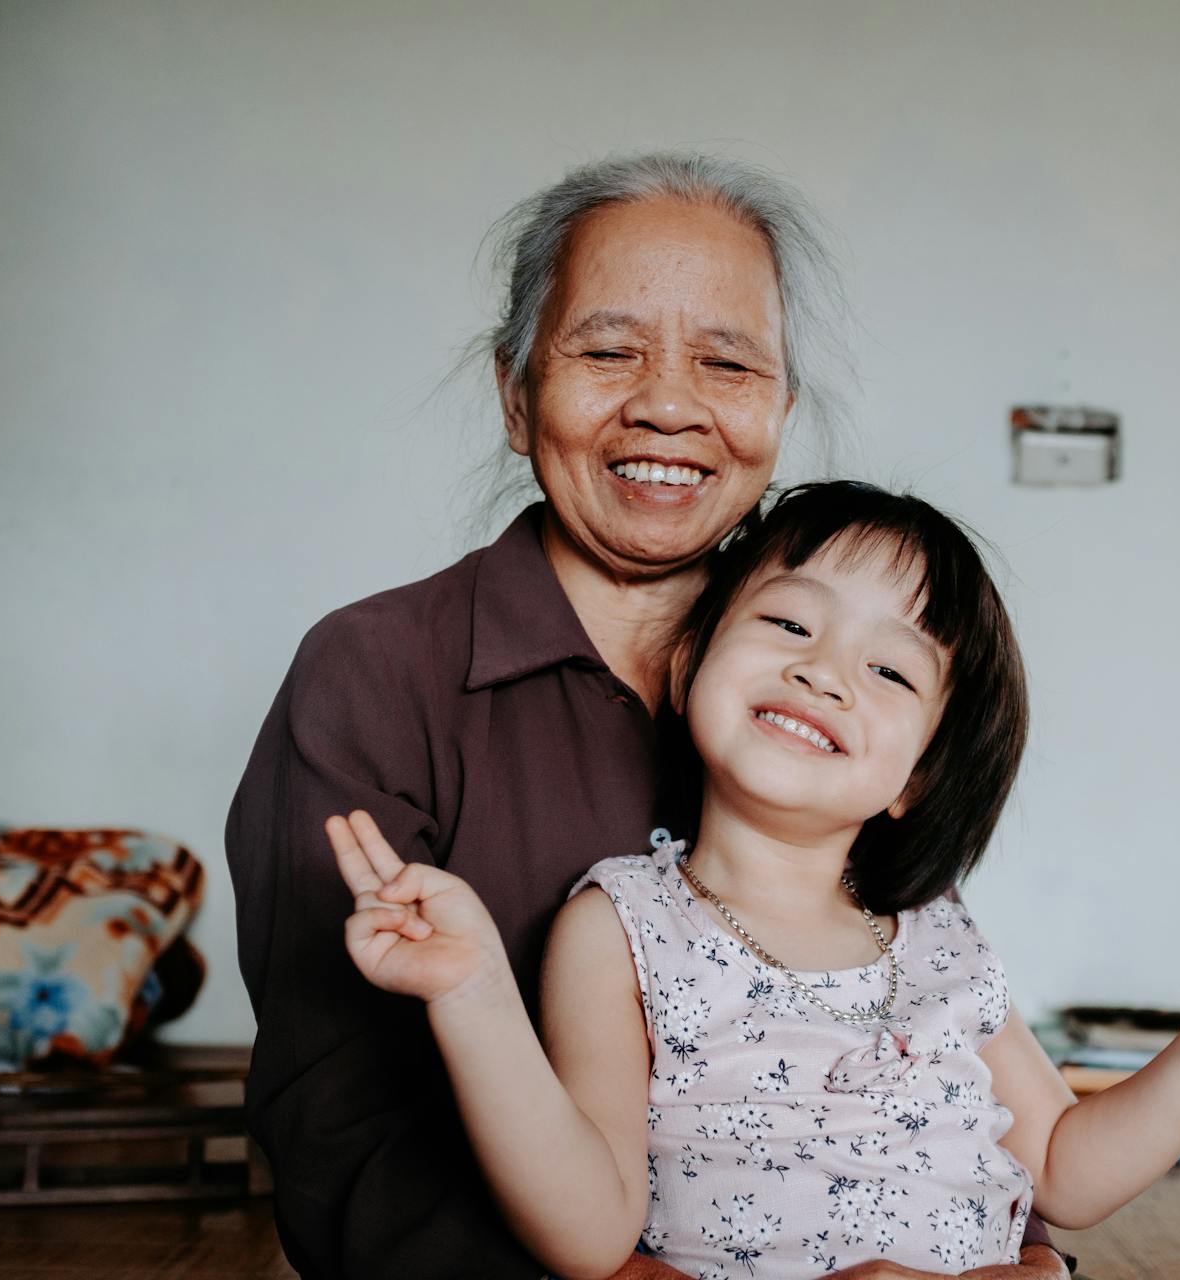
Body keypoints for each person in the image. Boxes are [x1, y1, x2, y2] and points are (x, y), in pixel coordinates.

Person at [227, 154, 1073, 1278]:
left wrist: (1026, 1263)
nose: (668, 404)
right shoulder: (376, 672)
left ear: (778, 411)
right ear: (517, 391)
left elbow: (925, 1079)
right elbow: (344, 1145)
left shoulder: (827, 698)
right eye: (608, 349)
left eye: (727, 361)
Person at [329, 482, 1180, 1280]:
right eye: (790, 624)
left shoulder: (939, 934)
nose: (826, 673)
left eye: (891, 671)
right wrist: (470, 996)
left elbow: (1068, 1171)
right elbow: (590, 1233)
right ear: (687, 671)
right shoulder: (623, 921)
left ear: (920, 777)